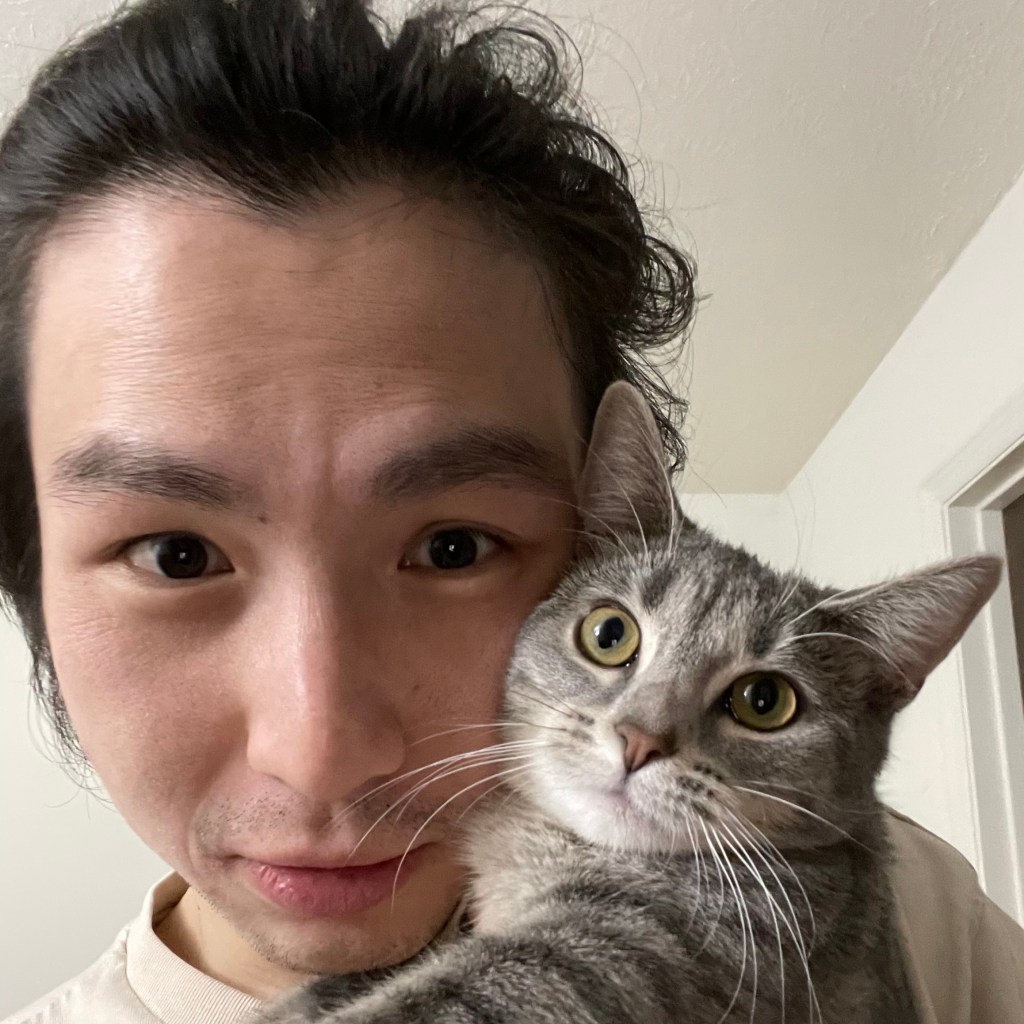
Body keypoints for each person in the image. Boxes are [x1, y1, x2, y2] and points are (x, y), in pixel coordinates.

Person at [0, 1, 1021, 1022]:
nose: (321, 756)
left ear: (584, 523)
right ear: (29, 569)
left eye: (454, 546)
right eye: (175, 553)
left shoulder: (931, 919)